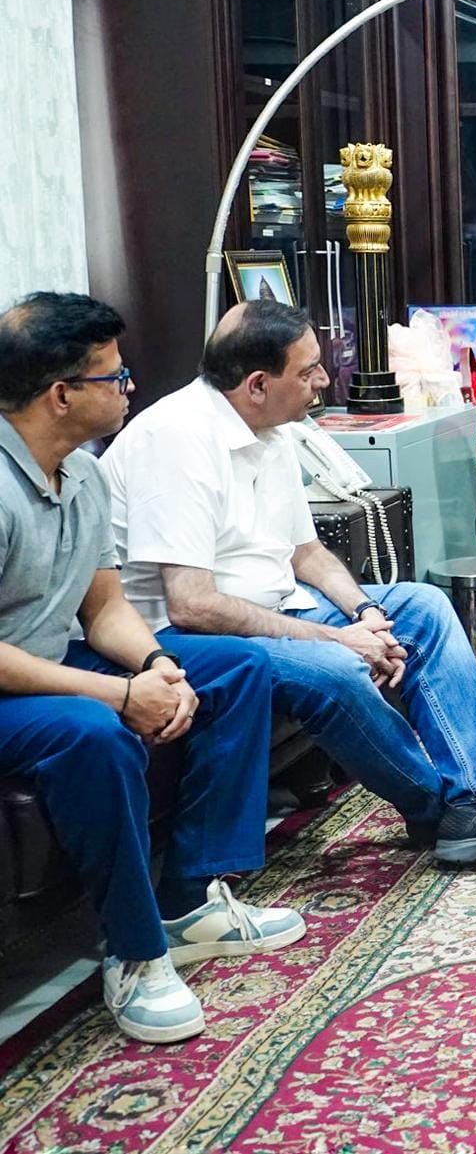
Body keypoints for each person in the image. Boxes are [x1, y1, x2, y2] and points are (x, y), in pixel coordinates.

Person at [101, 299, 476, 867]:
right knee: (335, 668)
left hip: (276, 608)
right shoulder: (176, 438)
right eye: (308, 370)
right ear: (257, 384)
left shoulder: (273, 429)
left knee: (423, 607)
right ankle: (438, 808)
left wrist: (364, 613)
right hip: (190, 638)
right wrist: (337, 639)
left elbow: (305, 551)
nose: (323, 380)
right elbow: (192, 605)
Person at [0, 293, 302, 1044]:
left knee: (235, 666)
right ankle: (137, 953)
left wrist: (158, 664)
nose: (129, 386)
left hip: (51, 660)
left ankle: (190, 897)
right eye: (114, 375)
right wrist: (117, 691)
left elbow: (104, 606)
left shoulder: (84, 473)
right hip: (13, 683)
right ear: (60, 394)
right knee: (92, 731)